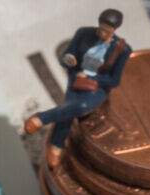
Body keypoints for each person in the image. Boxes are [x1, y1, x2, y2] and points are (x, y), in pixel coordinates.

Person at [24, 8, 131, 168]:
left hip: (97, 88)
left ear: (114, 31)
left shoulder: (122, 50)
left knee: (81, 106)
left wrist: (92, 77)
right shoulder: (83, 33)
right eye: (100, 29)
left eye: (107, 32)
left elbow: (114, 81)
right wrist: (69, 60)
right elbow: (65, 57)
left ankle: (42, 119)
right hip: (76, 79)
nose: (102, 34)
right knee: (69, 109)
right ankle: (56, 146)